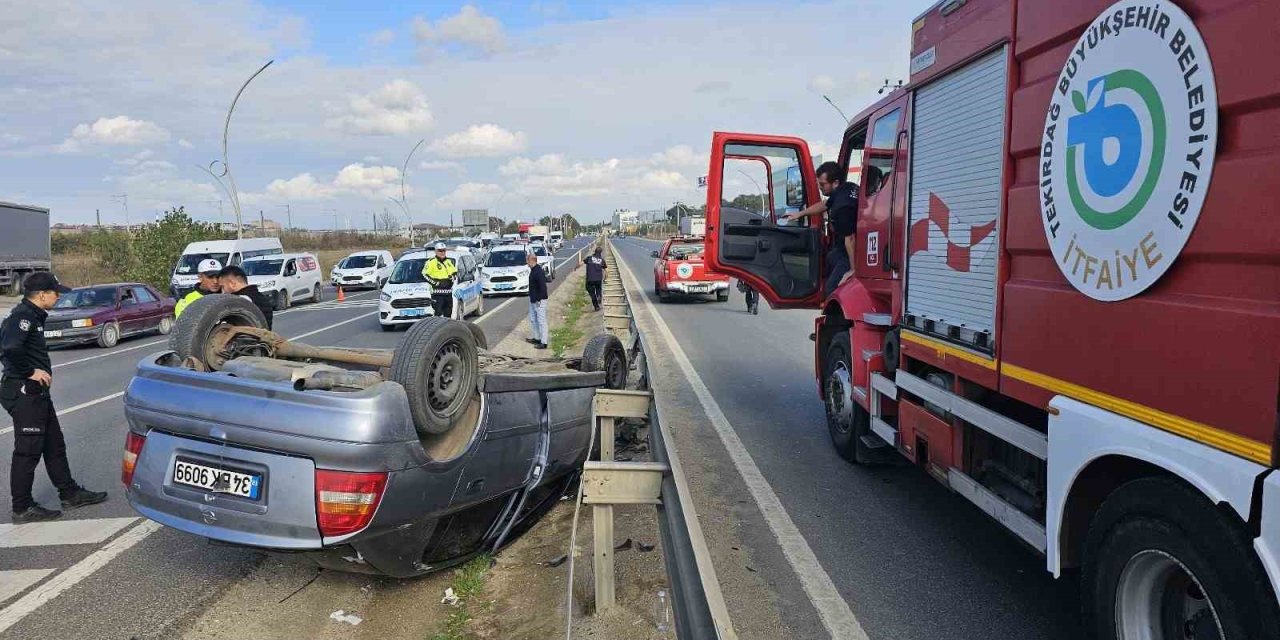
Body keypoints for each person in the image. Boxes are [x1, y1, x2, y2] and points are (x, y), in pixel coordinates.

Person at [1, 272, 108, 522]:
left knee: (54, 445)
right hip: (24, 392)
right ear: (41, 295)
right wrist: (30, 372)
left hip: (37, 393)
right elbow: (9, 347)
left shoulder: (34, 316)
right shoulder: (22, 317)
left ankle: (69, 493)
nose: (58, 296)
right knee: (28, 451)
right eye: (55, 292)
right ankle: (22, 507)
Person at [782, 161, 859, 296]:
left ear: (835, 183)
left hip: (853, 252)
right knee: (831, 257)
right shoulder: (848, 189)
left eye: (822, 185)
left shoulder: (842, 208)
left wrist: (853, 270)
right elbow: (825, 205)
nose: (820, 188)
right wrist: (800, 214)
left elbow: (851, 239)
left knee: (831, 289)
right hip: (846, 248)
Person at [217, 265, 274, 329]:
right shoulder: (262, 298)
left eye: (223, 286)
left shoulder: (240, 300)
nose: (223, 291)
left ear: (232, 283)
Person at [422, 243, 458, 320]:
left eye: (444, 250)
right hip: (438, 294)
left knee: (448, 316)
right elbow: (424, 274)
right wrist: (435, 283)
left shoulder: (448, 261)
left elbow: (454, 272)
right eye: (440, 251)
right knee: (438, 316)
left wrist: (453, 277)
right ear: (436, 251)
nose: (442, 252)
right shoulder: (431, 262)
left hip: (448, 293)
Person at [526, 253, 549, 350]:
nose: (527, 263)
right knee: (533, 319)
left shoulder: (538, 271)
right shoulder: (533, 270)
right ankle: (537, 338)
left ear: (531, 260)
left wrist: (539, 299)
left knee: (541, 321)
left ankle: (544, 342)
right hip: (533, 299)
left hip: (539, 300)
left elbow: (543, 287)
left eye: (527, 261)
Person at [584, 247, 606, 311]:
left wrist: (576, 267)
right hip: (598, 279)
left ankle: (596, 307)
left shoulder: (589, 258)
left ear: (594, 251)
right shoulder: (602, 260)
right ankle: (599, 296)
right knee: (598, 288)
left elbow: (581, 263)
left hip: (590, 279)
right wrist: (605, 278)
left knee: (592, 292)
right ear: (600, 253)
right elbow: (606, 271)